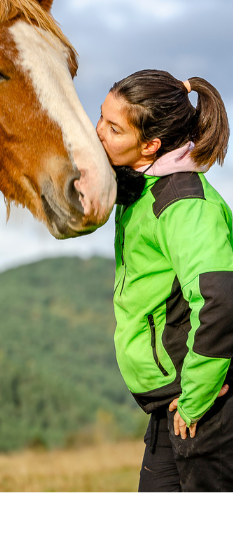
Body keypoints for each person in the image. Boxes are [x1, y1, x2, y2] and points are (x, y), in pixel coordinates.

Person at [95, 70, 232, 493]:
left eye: (113, 128)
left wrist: (194, 402)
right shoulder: (141, 185)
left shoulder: (184, 204)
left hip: (205, 411)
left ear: (151, 145)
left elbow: (221, 300)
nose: (98, 132)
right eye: (100, 117)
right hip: (170, 410)